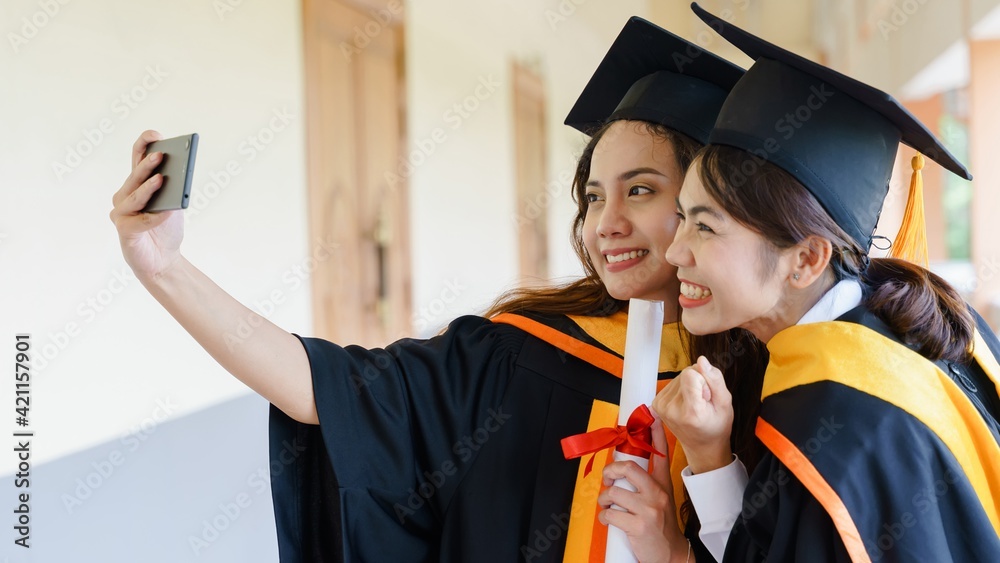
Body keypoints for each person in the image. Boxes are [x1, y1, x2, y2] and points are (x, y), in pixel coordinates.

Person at [109, 17, 756, 562]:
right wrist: (163, 267)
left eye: (639, 189)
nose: (605, 222)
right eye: (592, 196)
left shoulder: (763, 377)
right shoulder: (514, 357)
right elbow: (330, 391)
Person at [648, 4, 1000, 562]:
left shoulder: (835, 424)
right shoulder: (930, 326)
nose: (674, 251)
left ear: (807, 259)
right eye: (682, 217)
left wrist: (709, 463)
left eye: (706, 228)